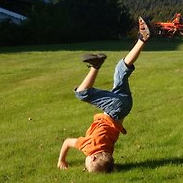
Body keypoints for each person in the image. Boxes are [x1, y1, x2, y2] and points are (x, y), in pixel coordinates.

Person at [57, 17, 151, 173]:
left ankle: (142, 39)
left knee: (121, 70)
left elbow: (108, 163)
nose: (85, 164)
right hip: (115, 108)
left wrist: (111, 168)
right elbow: (67, 142)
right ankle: (96, 65)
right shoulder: (87, 148)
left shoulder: (108, 150)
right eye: (87, 165)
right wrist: (61, 160)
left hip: (125, 107)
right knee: (82, 93)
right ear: (92, 158)